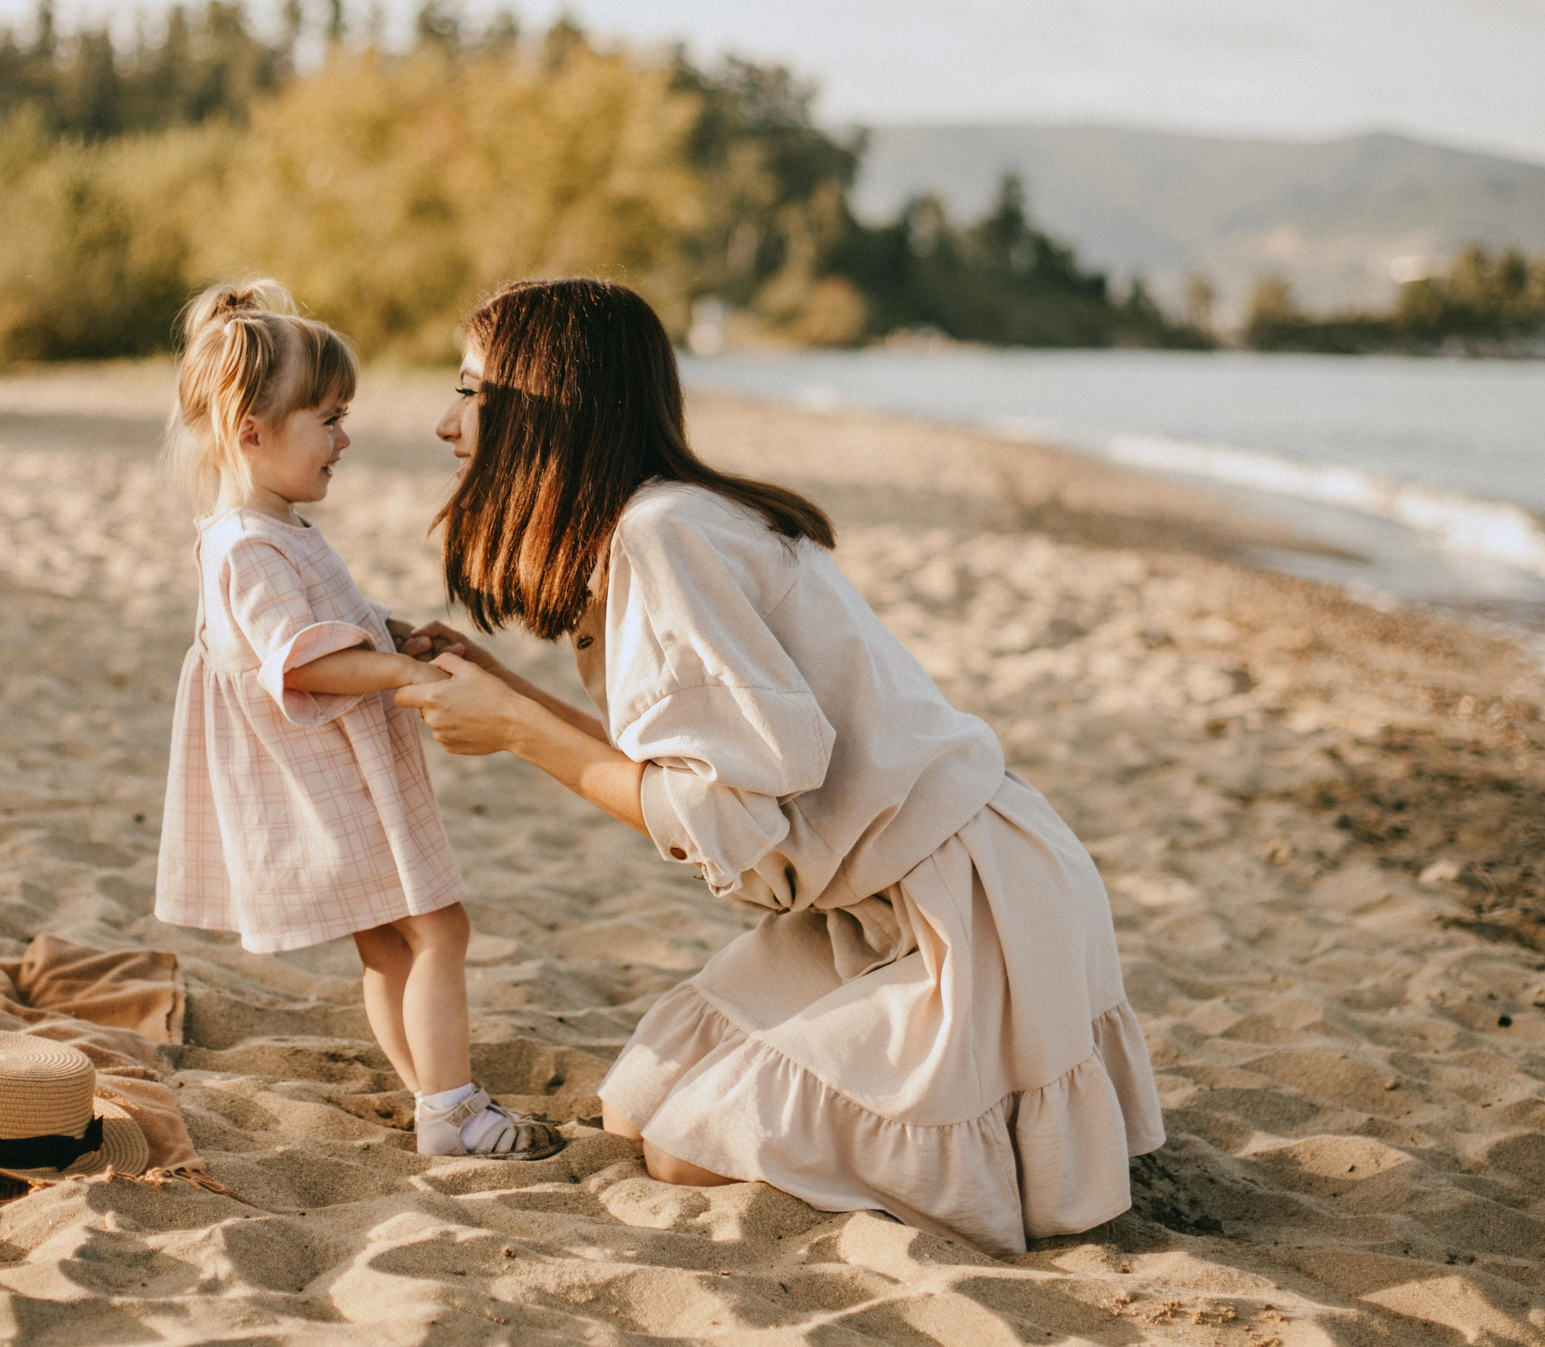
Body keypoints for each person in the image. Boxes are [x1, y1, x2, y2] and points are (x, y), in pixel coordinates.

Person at [394, 278, 1164, 1251]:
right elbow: (693, 769)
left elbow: (724, 813)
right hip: (873, 905)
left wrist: (514, 726)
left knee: (683, 1150)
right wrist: (506, 690)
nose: (444, 424)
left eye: (471, 393)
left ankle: (990, 1140)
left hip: (969, 908)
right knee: (640, 1107)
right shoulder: (656, 524)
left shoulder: (661, 534)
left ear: (550, 413)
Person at [154, 280, 557, 1161]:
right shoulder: (247, 543)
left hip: (336, 765)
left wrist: (394, 627)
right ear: (250, 431)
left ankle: (436, 1092)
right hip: (326, 769)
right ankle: (449, 1106)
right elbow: (300, 656)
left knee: (389, 942)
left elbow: (331, 613)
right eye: (328, 419)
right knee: (439, 928)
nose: (345, 437)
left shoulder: (274, 525)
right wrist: (398, 669)